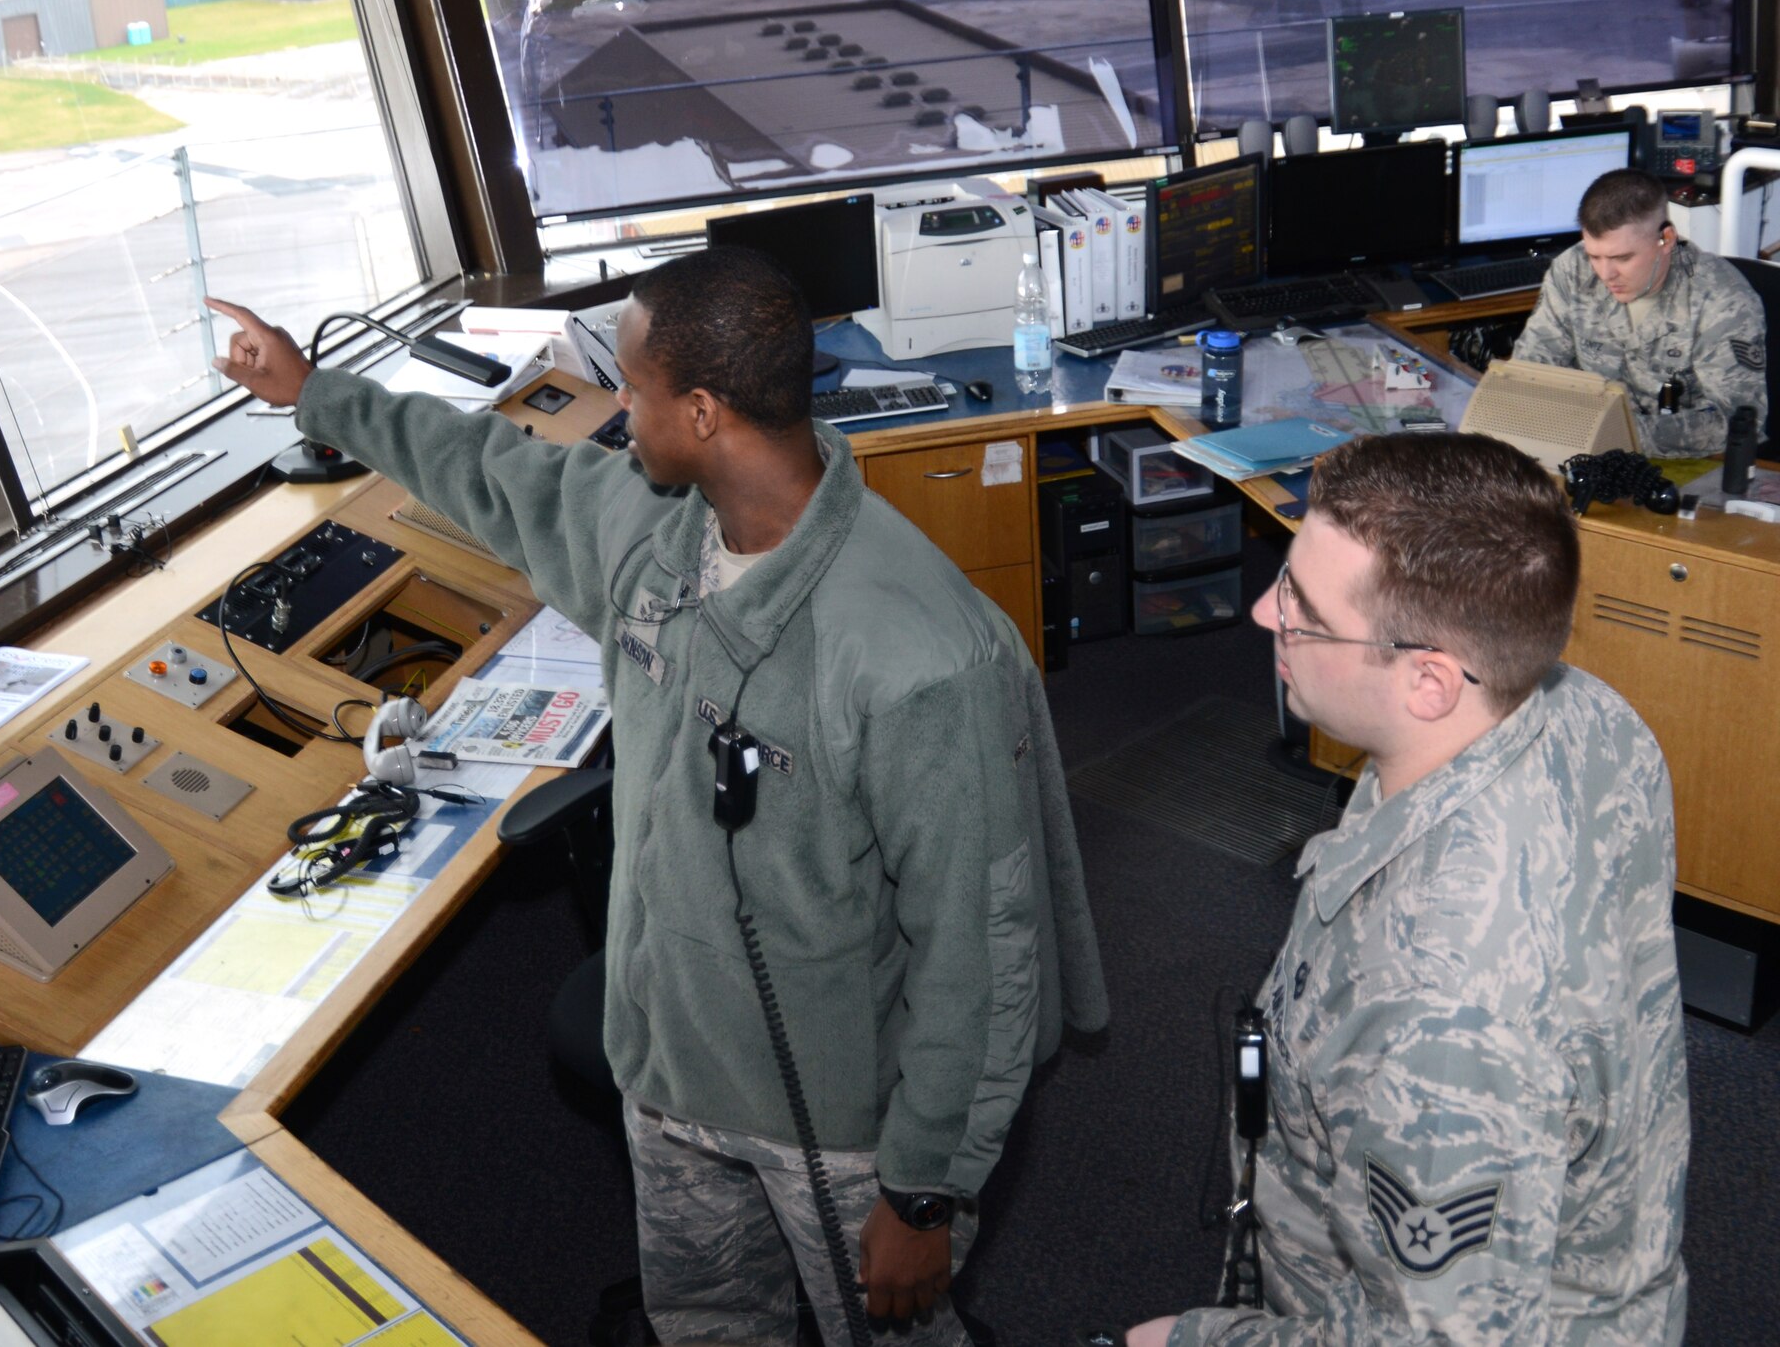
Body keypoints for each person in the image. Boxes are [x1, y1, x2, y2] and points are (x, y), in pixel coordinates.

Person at [207, 249, 1108, 1345]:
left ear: (699, 410)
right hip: (667, 1064)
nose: (617, 413)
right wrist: (313, 392)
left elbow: (980, 947)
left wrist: (923, 1192)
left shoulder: (917, 653)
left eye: (630, 391)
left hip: (837, 1119)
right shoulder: (657, 535)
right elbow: (491, 468)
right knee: (708, 1327)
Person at [1128, 432, 1689, 1347]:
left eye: (1304, 612)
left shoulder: (1442, 1017)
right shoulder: (1585, 712)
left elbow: (1436, 1337)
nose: (1267, 615)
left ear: (1429, 680)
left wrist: (1191, 1341)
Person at [1513, 167, 1765, 456]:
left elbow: (1739, 421)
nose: (1606, 273)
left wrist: (1621, 434)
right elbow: (1529, 372)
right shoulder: (1573, 270)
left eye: (1622, 258)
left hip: (1691, 466)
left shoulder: (1721, 299)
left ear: (1666, 239)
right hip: (1586, 454)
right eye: (1595, 255)